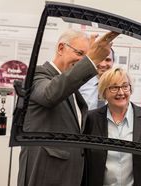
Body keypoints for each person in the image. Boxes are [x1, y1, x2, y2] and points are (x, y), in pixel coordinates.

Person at [17, 29, 119, 186]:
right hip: (46, 175)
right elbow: (50, 94)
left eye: (85, 57)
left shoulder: (72, 90)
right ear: (61, 48)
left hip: (70, 175)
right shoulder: (36, 75)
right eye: (79, 53)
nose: (81, 61)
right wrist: (91, 60)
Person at [84, 67, 141, 186]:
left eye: (125, 86)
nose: (121, 92)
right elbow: (83, 161)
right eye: (114, 87)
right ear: (104, 92)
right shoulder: (90, 119)